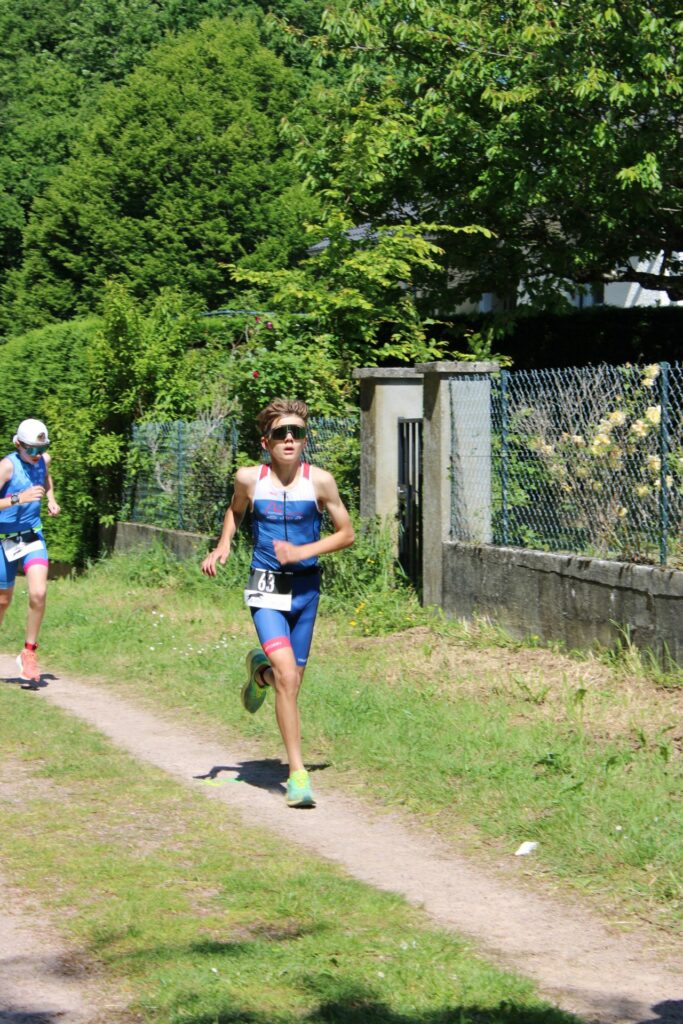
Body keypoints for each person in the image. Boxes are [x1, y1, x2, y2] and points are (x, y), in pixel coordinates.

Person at [201, 398, 354, 808]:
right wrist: (223, 544)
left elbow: (346, 534)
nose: (289, 439)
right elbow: (235, 511)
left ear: (304, 440)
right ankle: (297, 774)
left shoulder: (320, 482)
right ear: (265, 441)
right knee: (288, 677)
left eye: (297, 433)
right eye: (281, 433)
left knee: (290, 681)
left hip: (306, 590)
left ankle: (259, 674)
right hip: (266, 586)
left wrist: (304, 551)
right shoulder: (249, 479)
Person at [0, 419, 60, 683]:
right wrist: (18, 498)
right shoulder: (7, 467)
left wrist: (51, 499)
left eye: (42, 448)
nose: (37, 455)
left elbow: (46, 478)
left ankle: (29, 653)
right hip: (4, 540)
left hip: (32, 535)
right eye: (32, 450)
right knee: (2, 601)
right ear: (18, 444)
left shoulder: (43, 460)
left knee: (38, 593)